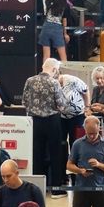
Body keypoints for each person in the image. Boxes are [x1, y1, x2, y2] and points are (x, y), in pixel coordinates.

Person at [22, 58, 65, 195]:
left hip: (34, 121)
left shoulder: (30, 80)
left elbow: (25, 101)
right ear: (54, 69)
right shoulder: (54, 83)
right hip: (52, 121)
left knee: (37, 154)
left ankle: (38, 188)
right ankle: (56, 189)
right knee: (55, 154)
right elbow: (61, 105)